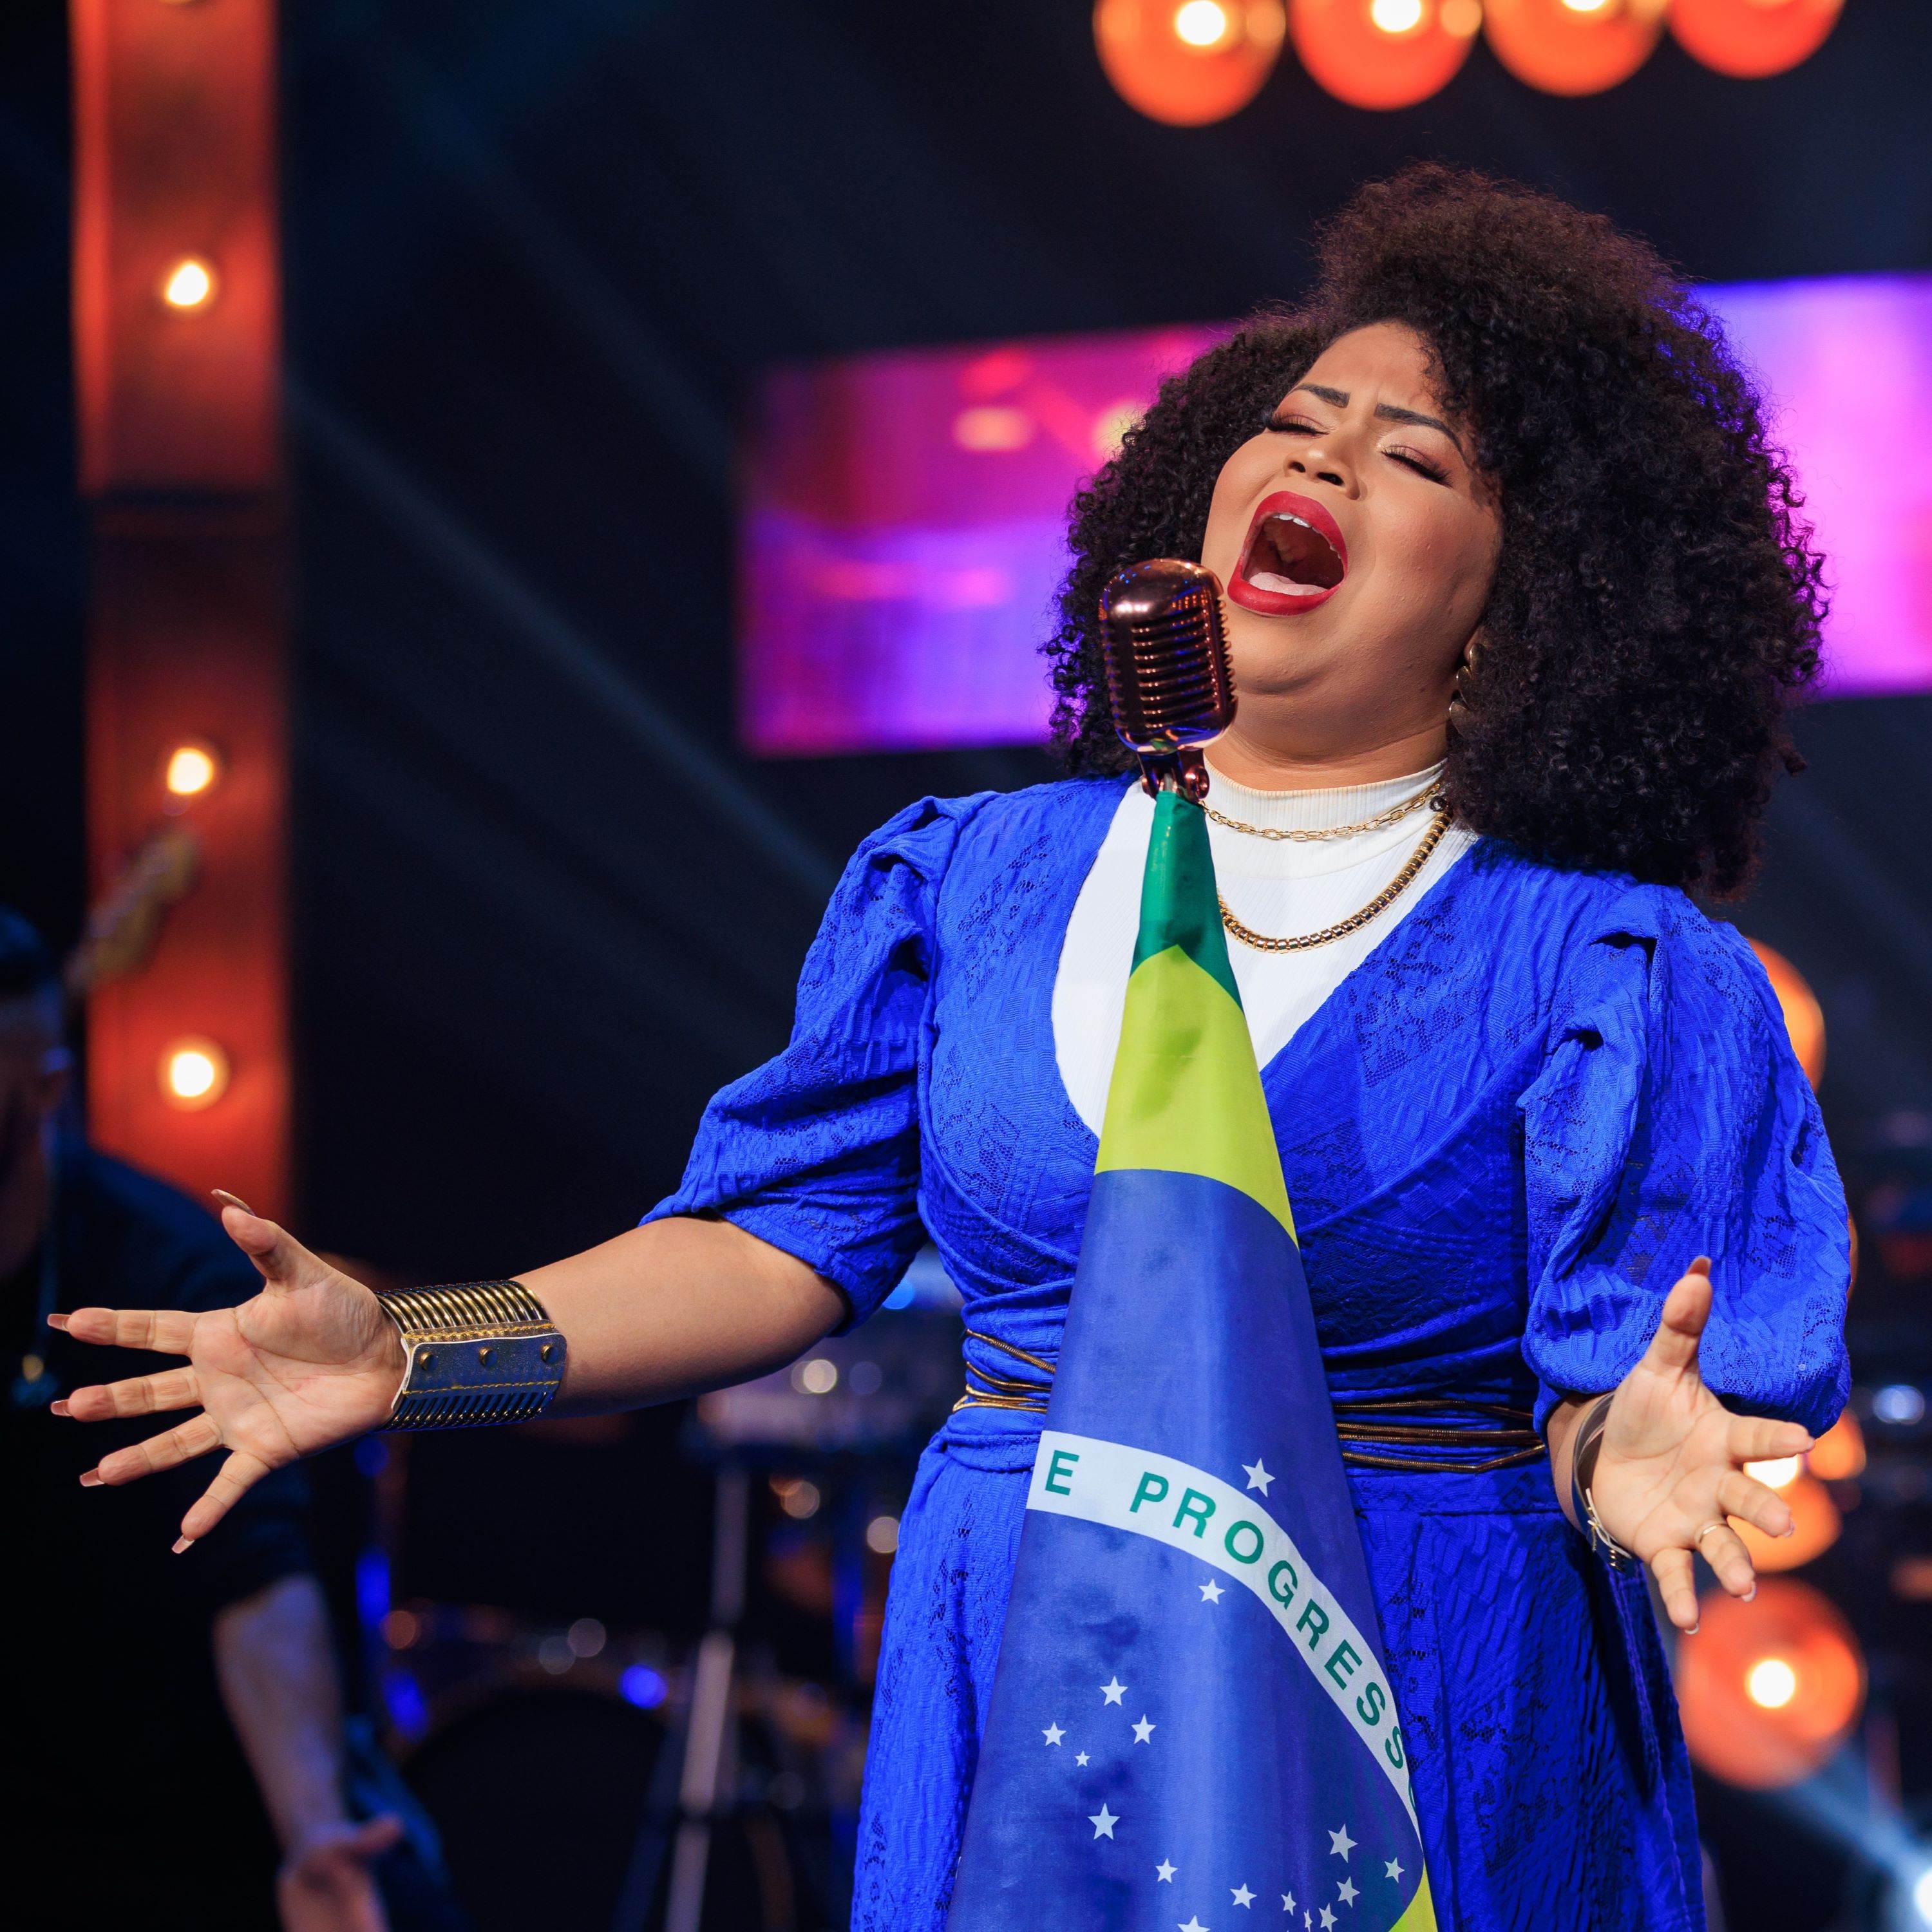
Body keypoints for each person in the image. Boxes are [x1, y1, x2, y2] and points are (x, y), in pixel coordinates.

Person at [56, 166, 1849, 1931]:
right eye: (1299, 423)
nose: (1322, 464)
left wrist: (1616, 1458)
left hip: (1420, 1685)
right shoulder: (972, 884)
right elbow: (765, 1244)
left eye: (1417, 460)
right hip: (1027, 1659)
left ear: (1518, 612)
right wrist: (413, 1353)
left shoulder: (1606, 967)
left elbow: (1629, 1383)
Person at [1, 909, 404, 1930]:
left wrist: (314, 1828)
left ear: (45, 1088)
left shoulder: (167, 1274)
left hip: (166, 1822)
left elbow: (258, 1581)